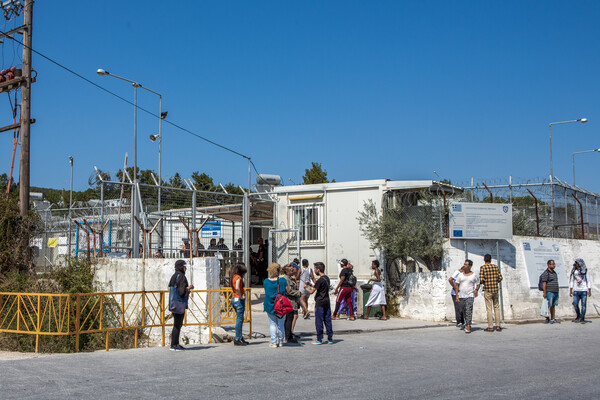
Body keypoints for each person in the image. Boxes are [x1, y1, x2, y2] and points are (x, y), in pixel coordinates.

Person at [304, 262, 333, 345]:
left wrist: (305, 288)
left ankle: (319, 338)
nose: (315, 271)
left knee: (319, 321)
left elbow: (312, 291)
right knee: (327, 320)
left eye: (315, 269)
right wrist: (311, 284)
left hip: (320, 302)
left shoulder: (320, 280)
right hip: (327, 301)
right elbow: (318, 286)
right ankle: (330, 338)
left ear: (318, 269)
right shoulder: (326, 278)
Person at [168, 260, 194, 351]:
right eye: (184, 266)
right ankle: (174, 345)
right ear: (181, 267)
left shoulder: (174, 276)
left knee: (176, 324)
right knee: (178, 325)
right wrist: (189, 288)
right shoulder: (182, 277)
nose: (186, 268)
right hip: (179, 303)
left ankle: (175, 343)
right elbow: (181, 292)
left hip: (173, 303)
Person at [263, 262, 288, 347]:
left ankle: (274, 342)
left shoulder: (266, 281)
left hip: (270, 305)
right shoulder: (282, 281)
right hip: (281, 305)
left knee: (272, 324)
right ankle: (281, 341)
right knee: (281, 324)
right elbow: (287, 290)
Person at [479, 254, 503, 332]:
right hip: (495, 289)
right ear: (491, 259)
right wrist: (495, 281)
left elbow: (481, 279)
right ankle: (498, 325)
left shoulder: (483, 268)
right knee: (497, 307)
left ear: (484, 259)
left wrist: (484, 282)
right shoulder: (495, 267)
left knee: (489, 308)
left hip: (488, 289)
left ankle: (490, 326)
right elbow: (500, 278)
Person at [454, 260, 479, 334]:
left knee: (468, 310)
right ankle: (466, 322)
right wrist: (457, 296)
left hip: (470, 296)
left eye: (466, 264)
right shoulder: (460, 275)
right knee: (463, 310)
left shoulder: (474, 275)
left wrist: (476, 290)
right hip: (461, 296)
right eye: (464, 264)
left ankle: (468, 325)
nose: (464, 266)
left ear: (470, 266)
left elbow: (478, 284)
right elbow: (457, 286)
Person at [231, 262, 249, 346]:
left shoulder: (234, 276)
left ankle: (240, 337)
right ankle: (237, 338)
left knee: (240, 320)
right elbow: (237, 287)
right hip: (238, 299)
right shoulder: (238, 277)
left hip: (234, 299)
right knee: (239, 320)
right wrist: (241, 296)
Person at [569, 258, 592, 324]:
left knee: (583, 305)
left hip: (584, 290)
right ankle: (578, 315)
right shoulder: (574, 270)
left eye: (577, 263)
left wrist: (589, 290)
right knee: (575, 303)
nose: (576, 264)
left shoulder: (585, 271)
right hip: (576, 290)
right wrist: (571, 290)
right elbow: (572, 280)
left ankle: (582, 317)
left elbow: (588, 280)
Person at [283, 263, 301, 343]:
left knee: (290, 319)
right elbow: (288, 291)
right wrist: (298, 293)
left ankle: (289, 334)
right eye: (291, 270)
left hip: (293, 302)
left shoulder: (291, 278)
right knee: (288, 320)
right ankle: (288, 336)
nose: (292, 270)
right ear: (287, 271)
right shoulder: (286, 279)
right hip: (289, 302)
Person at [541, 259, 560, 324]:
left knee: (553, 305)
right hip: (549, 292)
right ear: (548, 265)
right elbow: (544, 283)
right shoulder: (546, 273)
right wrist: (545, 292)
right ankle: (547, 318)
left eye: (554, 264)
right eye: (552, 264)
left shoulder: (554, 273)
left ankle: (553, 318)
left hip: (555, 291)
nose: (554, 265)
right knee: (548, 305)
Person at [448, 263, 465, 328]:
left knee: (462, 307)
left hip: (461, 294)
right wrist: (454, 287)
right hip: (455, 293)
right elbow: (450, 279)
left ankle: (462, 321)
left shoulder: (462, 274)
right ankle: (459, 322)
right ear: (462, 270)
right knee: (458, 308)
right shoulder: (457, 272)